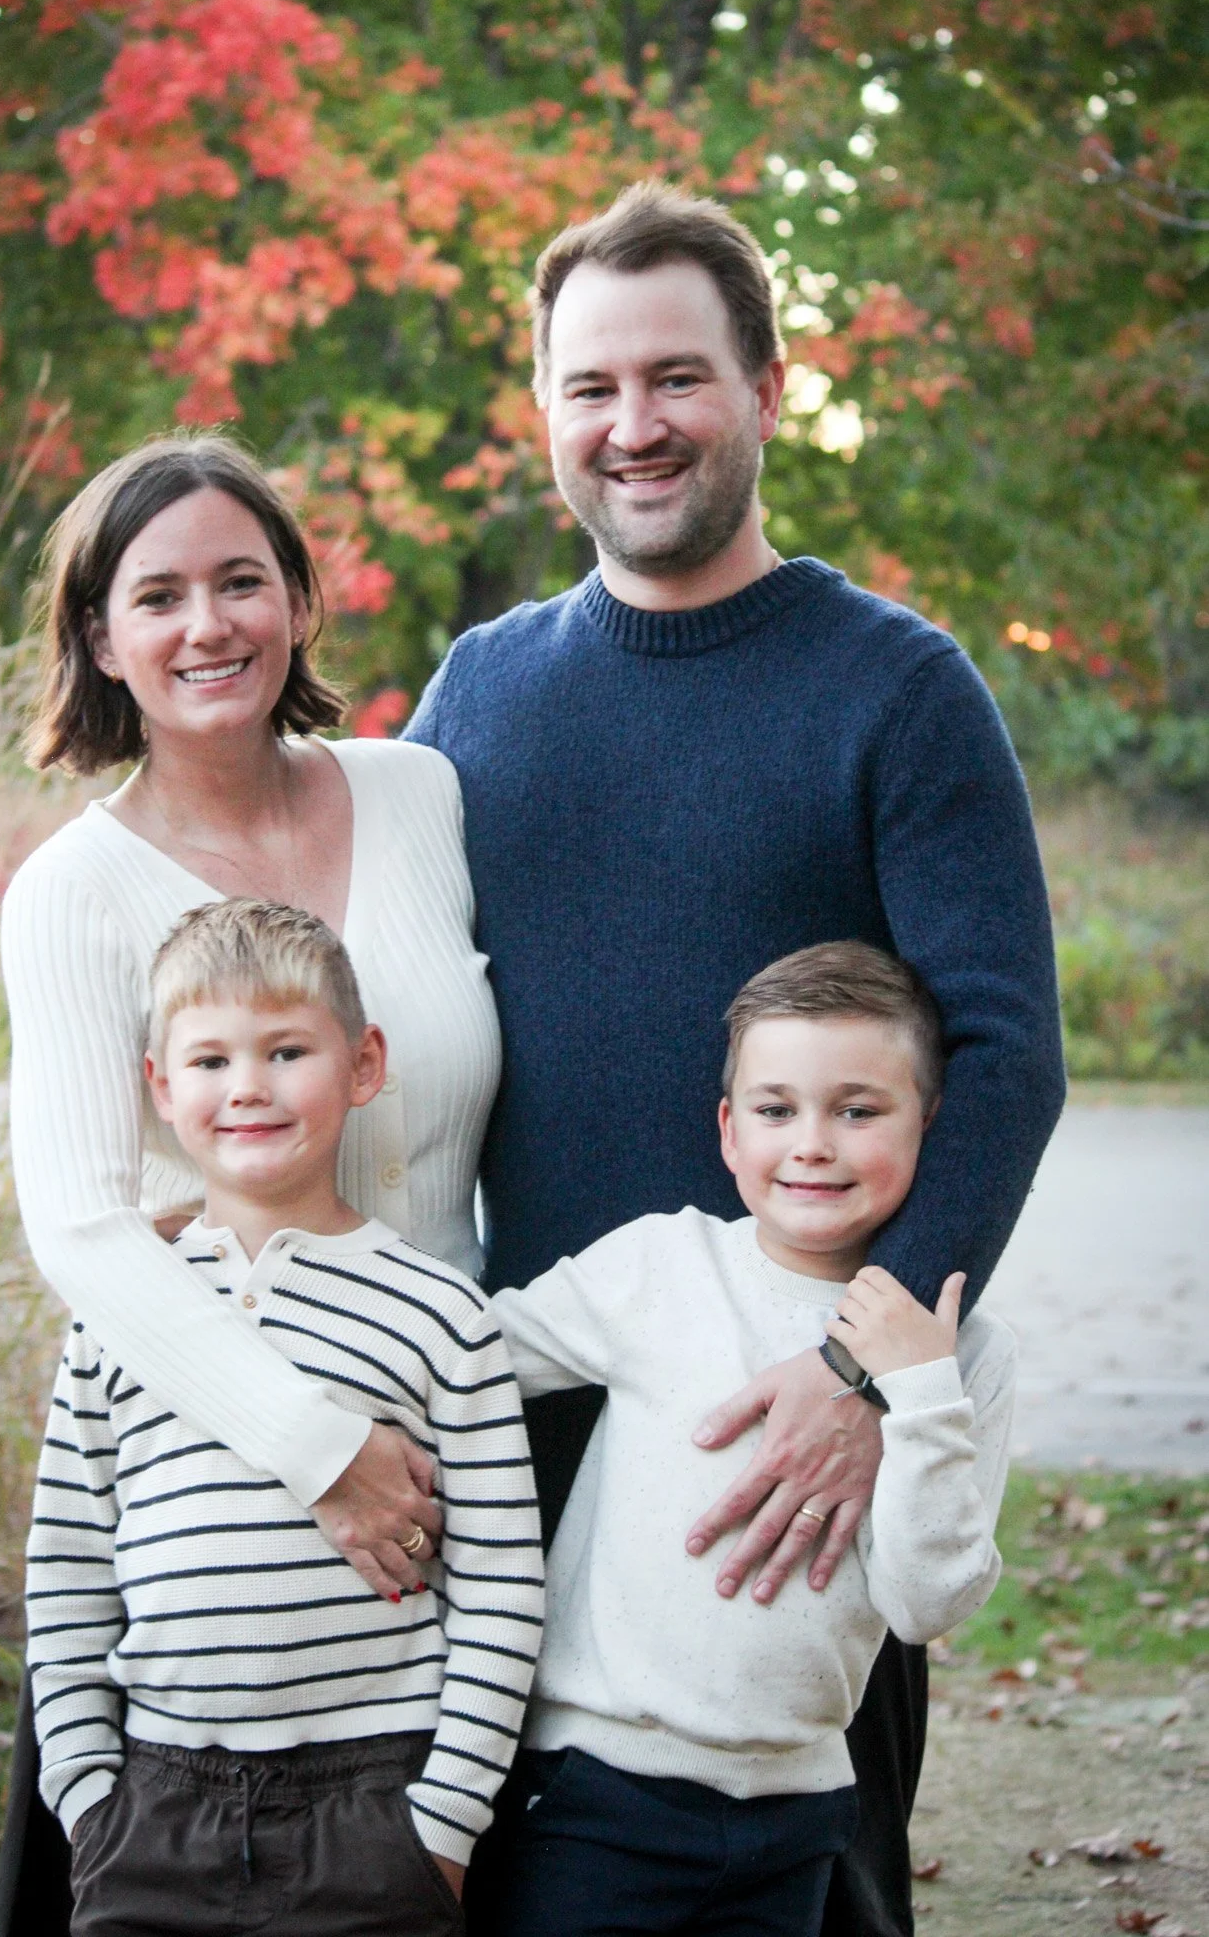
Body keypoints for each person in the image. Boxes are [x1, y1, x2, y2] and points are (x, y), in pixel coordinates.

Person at [404, 182, 1066, 1936]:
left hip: (790, 1450)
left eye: (678, 377)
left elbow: (1004, 1050)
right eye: (590, 385)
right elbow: (360, 1007)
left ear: (769, 388)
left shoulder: (898, 690)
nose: (634, 425)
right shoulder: (476, 692)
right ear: (542, 409)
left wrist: (862, 1366)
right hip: (533, 1431)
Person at [0, 433, 502, 1936]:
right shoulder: (73, 893)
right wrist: (317, 1446)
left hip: (456, 1427)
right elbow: (83, 1217)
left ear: (295, 602)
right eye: (159, 596)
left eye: (240, 581)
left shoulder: (420, 797)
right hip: (229, 1473)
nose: (206, 625)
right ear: (101, 637)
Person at [26, 898, 541, 1936]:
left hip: (373, 1801)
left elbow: (503, 1583)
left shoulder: (438, 1309)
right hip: (154, 1801)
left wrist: (442, 1823)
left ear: (362, 1064)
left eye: (287, 1048)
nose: (248, 1085)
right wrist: (87, 1791)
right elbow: (69, 1566)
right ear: (161, 1087)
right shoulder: (125, 1310)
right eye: (210, 1059)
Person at [484, 942, 1015, 1937]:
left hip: (798, 1807)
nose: (813, 1143)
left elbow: (924, 1600)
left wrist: (918, 1389)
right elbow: (468, 1355)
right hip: (601, 1791)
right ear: (729, 1130)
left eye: (859, 1110)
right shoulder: (660, 1264)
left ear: (929, 1123)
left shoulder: (966, 1348)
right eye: (777, 1109)